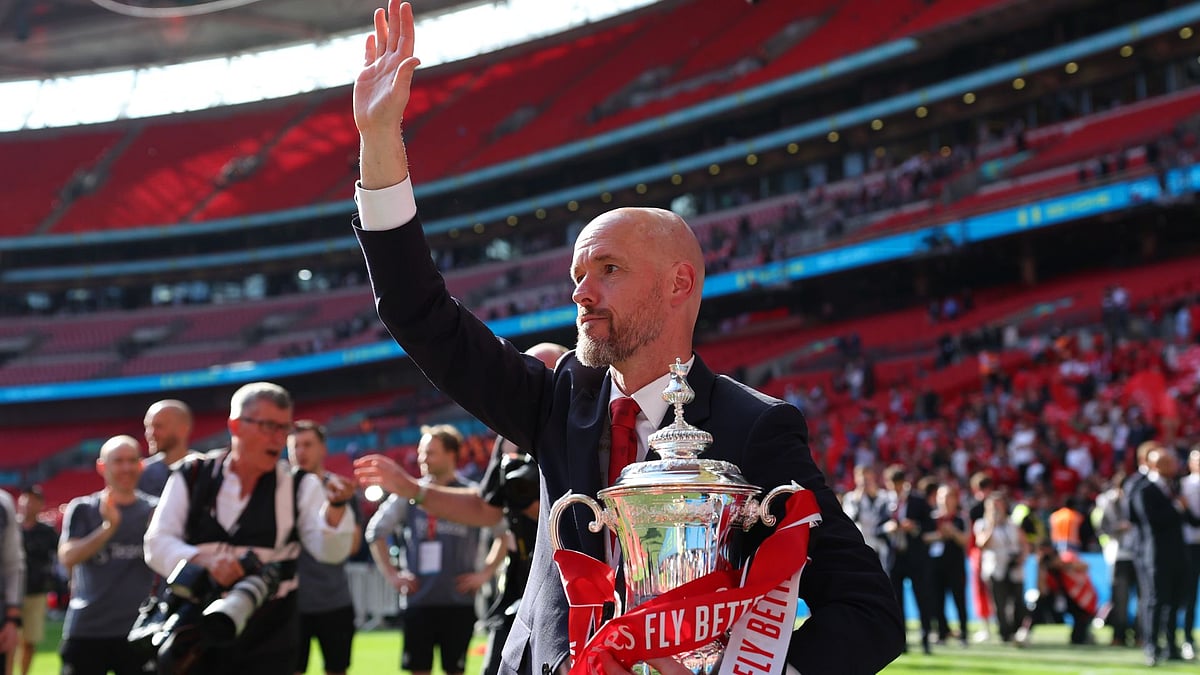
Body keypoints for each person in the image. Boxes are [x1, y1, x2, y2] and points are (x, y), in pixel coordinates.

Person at [349, 3, 904, 673]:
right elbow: (418, 312)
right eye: (578, 274)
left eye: (607, 270)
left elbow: (868, 610)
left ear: (678, 284)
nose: (580, 292)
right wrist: (380, 141)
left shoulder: (754, 427)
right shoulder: (555, 400)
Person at [356, 342, 564, 675]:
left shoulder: (586, 427)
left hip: (570, 583)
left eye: (548, 373)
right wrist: (411, 489)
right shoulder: (508, 437)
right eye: (528, 372)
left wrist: (541, 508)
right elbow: (488, 511)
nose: (534, 383)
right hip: (519, 585)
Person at [144, 382, 357, 674]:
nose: (279, 439)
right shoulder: (193, 473)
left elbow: (330, 551)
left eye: (284, 429)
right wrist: (204, 561)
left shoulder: (299, 484)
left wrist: (336, 509)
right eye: (268, 426)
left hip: (270, 631)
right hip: (196, 623)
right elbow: (157, 542)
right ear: (235, 425)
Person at [364, 424, 487, 675]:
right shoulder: (408, 493)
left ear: (452, 454)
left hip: (459, 600)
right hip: (419, 600)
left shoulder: (471, 495)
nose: (422, 458)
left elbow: (503, 533)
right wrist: (393, 575)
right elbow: (375, 532)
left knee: (456, 670)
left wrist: (484, 574)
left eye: (430, 452)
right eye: (421, 452)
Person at [57, 435, 156, 675]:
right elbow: (67, 557)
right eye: (118, 461)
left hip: (140, 630)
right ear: (102, 466)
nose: (126, 468)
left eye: (132, 460)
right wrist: (108, 529)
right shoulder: (83, 508)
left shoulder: (156, 510)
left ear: (141, 465)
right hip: (88, 629)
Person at [288, 420, 362, 675]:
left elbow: (352, 545)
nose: (300, 451)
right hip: (289, 604)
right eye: (295, 445)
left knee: (337, 669)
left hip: (333, 600)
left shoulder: (340, 491)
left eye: (307, 444)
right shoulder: (278, 491)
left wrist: (333, 515)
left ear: (323, 448)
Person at [880, 466, 936, 654]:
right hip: (894, 557)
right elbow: (878, 528)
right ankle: (901, 642)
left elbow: (930, 525)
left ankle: (925, 637)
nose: (894, 489)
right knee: (896, 602)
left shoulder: (918, 502)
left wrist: (914, 526)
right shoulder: (884, 502)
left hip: (915, 557)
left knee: (923, 598)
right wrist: (887, 528)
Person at [1014, 540, 1098, 646]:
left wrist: (1063, 565)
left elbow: (1085, 566)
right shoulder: (1043, 567)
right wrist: (1041, 568)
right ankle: (1024, 632)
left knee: (1078, 638)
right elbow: (1042, 590)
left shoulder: (1066, 557)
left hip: (1075, 599)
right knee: (1037, 605)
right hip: (1055, 597)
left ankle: (1085, 633)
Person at [15, 486, 57, 675]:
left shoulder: (47, 531)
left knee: (29, 640)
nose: (28, 504)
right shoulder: (10, 527)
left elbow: (59, 556)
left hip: (35, 592)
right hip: (9, 593)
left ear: (40, 504)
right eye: (26, 499)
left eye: (33, 500)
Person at [975, 493, 1026, 645]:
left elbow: (1024, 543)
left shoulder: (1012, 524)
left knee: (1017, 601)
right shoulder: (982, 524)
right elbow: (981, 544)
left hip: (1014, 568)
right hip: (995, 567)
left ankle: (1017, 630)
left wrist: (1021, 557)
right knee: (1000, 602)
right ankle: (1004, 633)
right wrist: (992, 524)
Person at [138, 399, 199, 497]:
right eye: (147, 427)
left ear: (183, 429)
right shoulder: (140, 474)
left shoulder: (205, 470)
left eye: (158, 426)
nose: (150, 433)